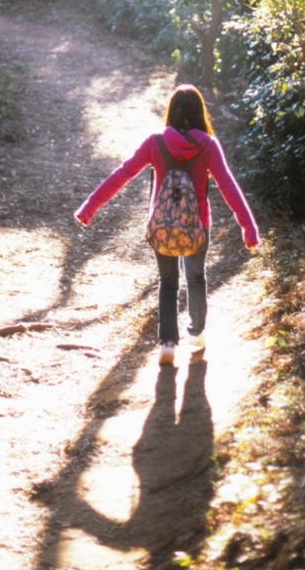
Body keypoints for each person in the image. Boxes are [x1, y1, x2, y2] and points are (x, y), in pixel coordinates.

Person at [74, 84, 260, 366]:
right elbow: (228, 186)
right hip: (198, 225)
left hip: (162, 227)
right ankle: (196, 334)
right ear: (200, 113)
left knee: (168, 283)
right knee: (196, 278)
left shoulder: (155, 142)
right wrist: (249, 229)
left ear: (171, 111)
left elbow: (123, 174)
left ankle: (168, 344)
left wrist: (90, 207)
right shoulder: (208, 145)